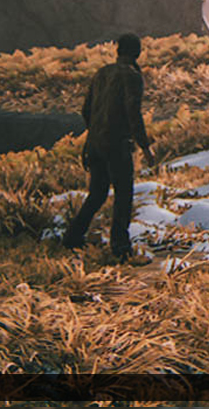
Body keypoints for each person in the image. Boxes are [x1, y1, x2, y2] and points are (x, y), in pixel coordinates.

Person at [60, 33, 156, 261]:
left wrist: (95, 132)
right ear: (138, 53)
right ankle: (121, 248)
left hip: (95, 143)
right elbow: (133, 113)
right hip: (117, 144)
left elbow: (86, 110)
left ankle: (72, 238)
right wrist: (145, 146)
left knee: (97, 194)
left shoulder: (102, 73)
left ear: (117, 50)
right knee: (124, 195)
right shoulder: (132, 77)